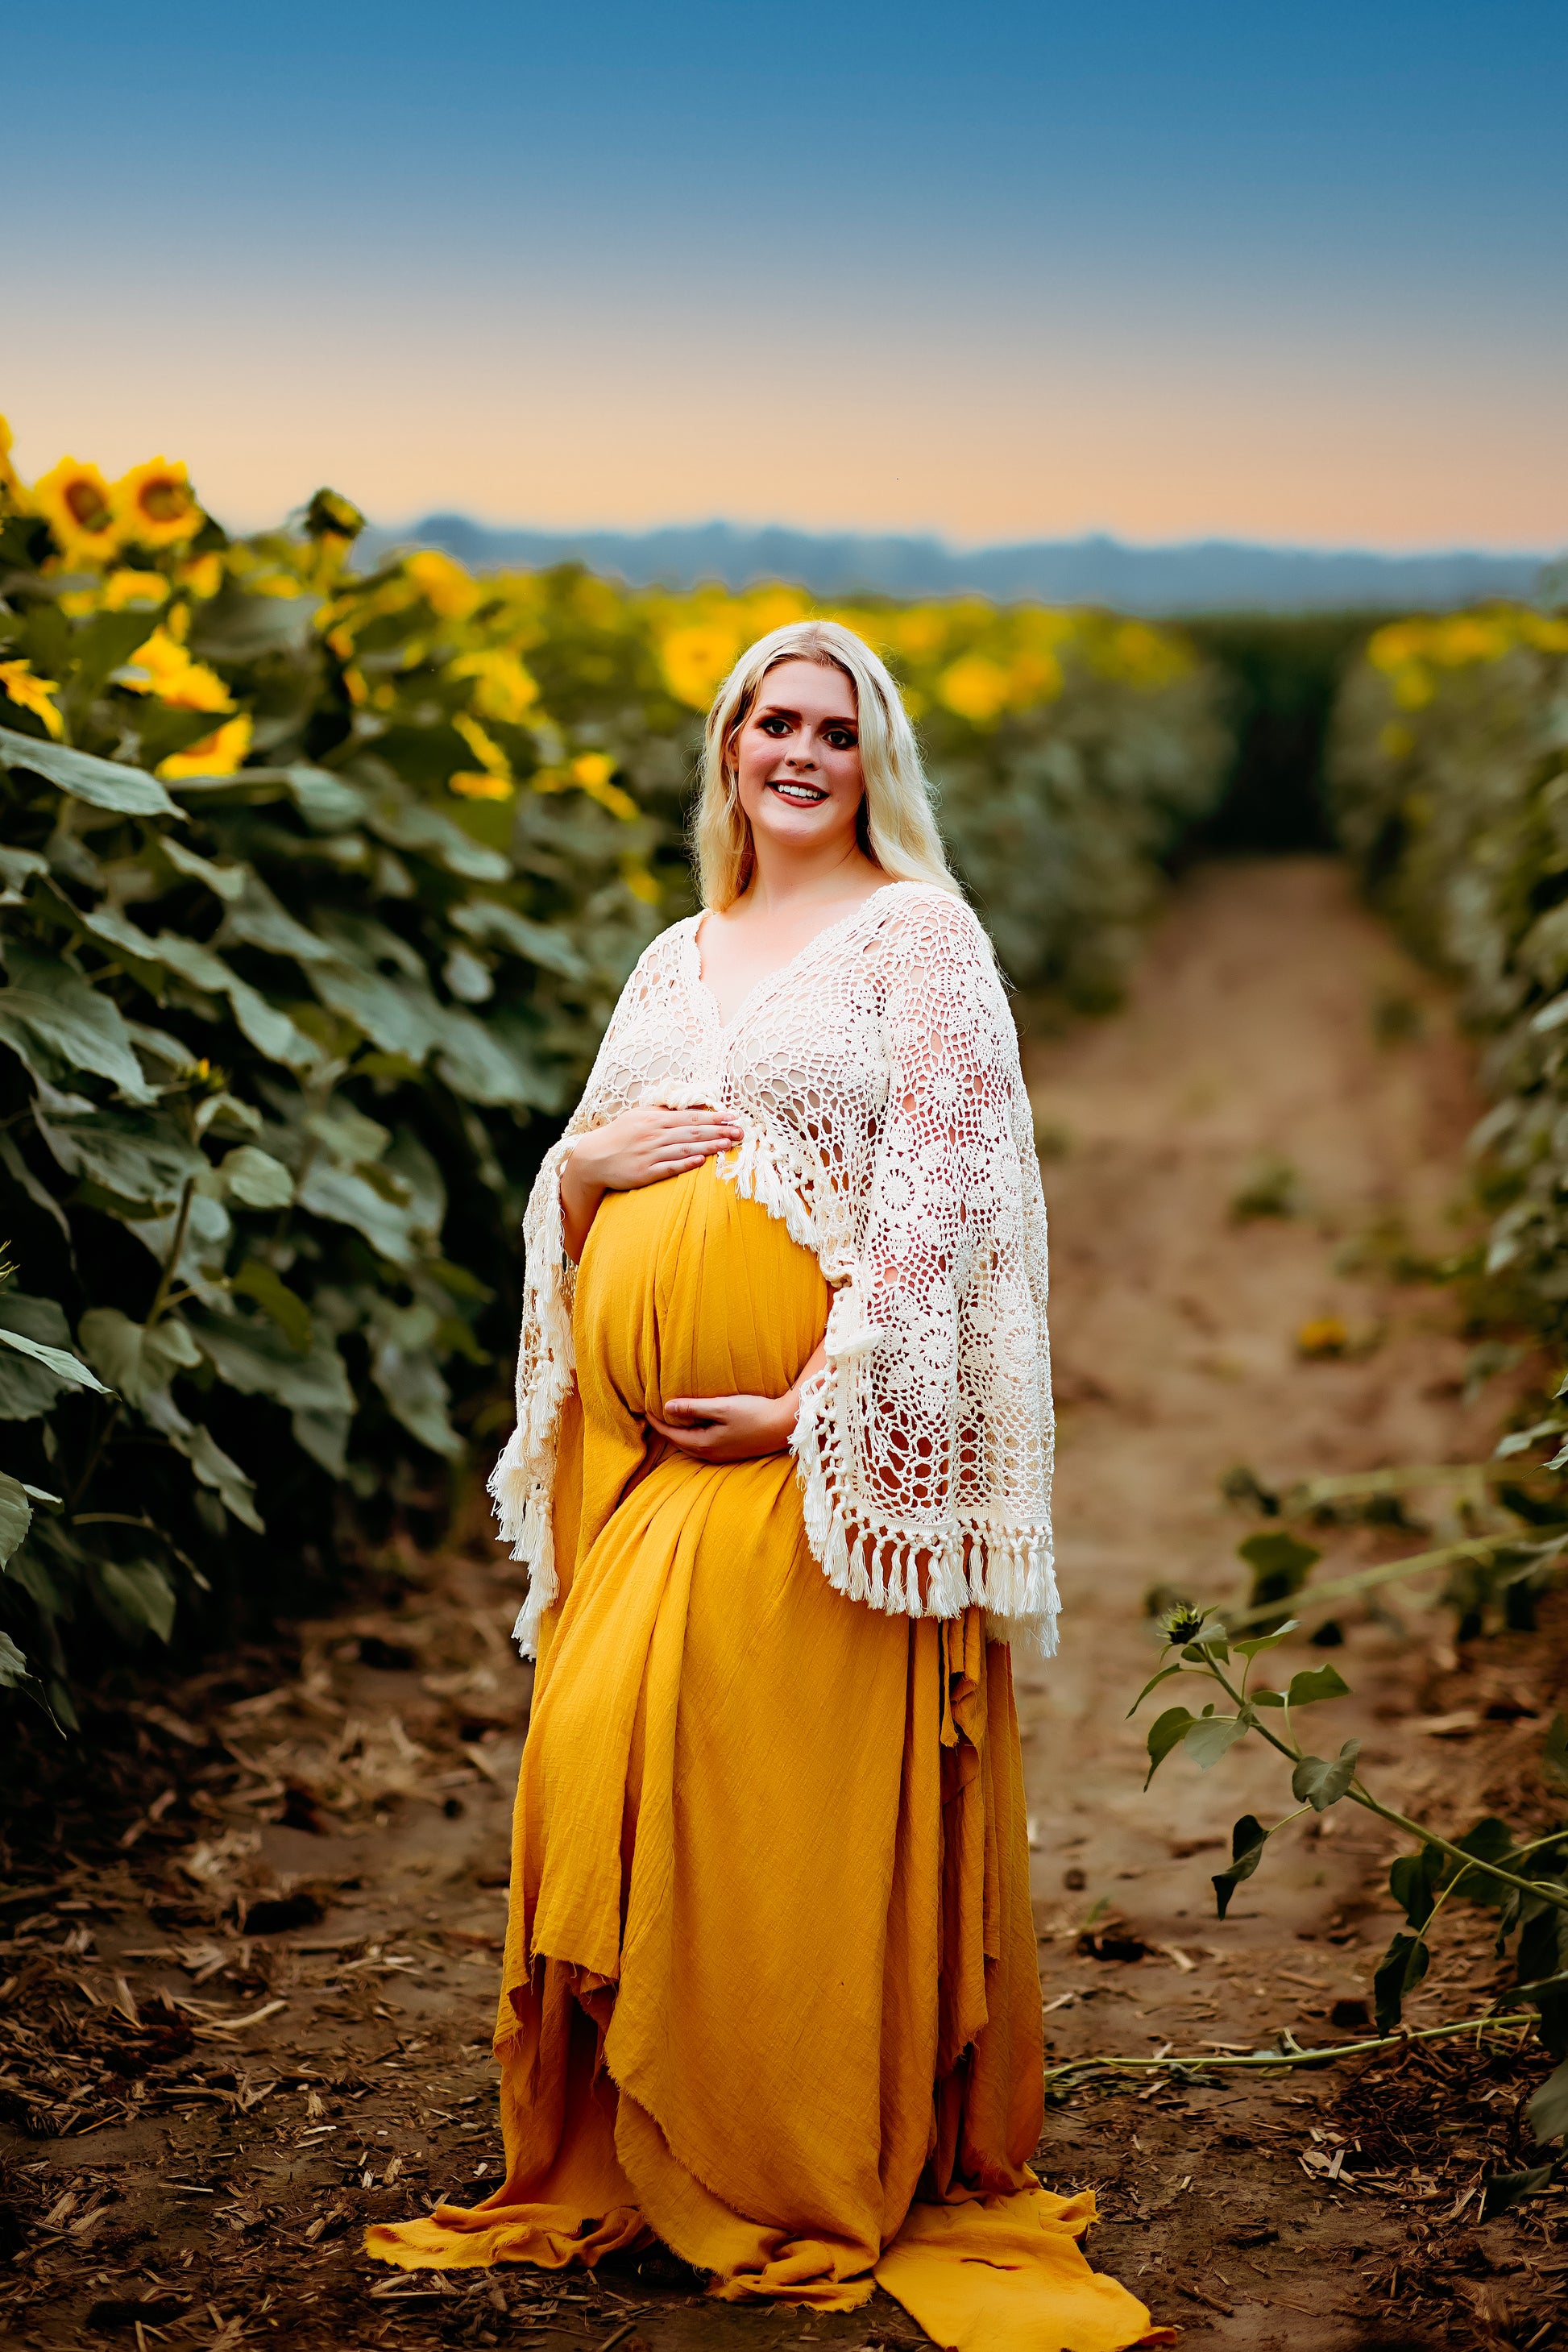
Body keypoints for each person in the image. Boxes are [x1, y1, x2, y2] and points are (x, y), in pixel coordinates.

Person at [367, 621, 1164, 2351]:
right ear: (726, 748)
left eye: (831, 725)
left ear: (874, 757)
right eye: (765, 720)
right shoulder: (675, 955)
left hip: (815, 1457)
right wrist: (579, 1171)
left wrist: (821, 1397)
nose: (794, 749)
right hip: (658, 1456)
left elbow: (950, 1197)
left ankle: (772, 2146)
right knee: (593, 1758)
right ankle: (635, 2141)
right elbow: (578, 1172)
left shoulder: (919, 936)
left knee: (762, 1813)